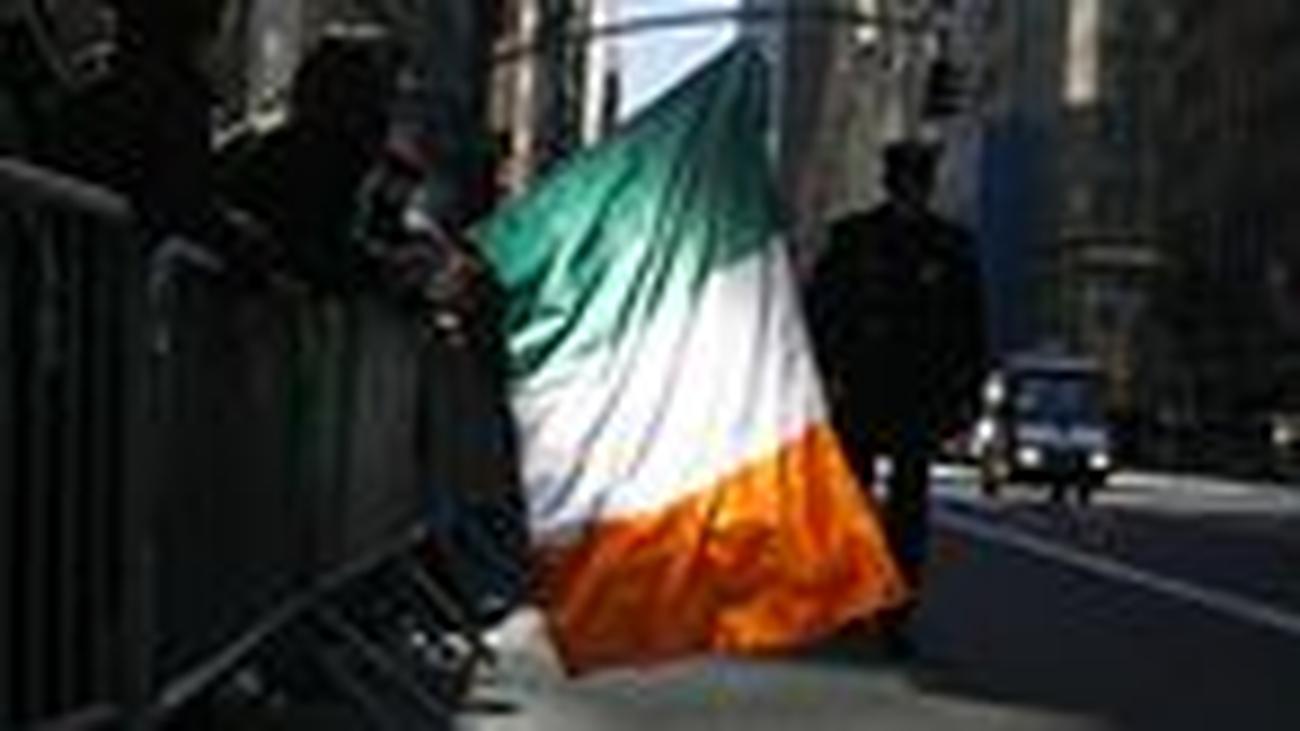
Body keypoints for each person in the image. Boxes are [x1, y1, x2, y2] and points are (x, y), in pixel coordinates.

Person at [806, 141, 987, 656]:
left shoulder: (950, 247)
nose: (911, 194)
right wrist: (824, 375)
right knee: (851, 503)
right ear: (890, 185)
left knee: (909, 511)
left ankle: (896, 611)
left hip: (917, 396)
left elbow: (969, 328)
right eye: (904, 184)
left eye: (918, 184)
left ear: (927, 188)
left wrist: (966, 397)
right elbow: (822, 311)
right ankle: (848, 598)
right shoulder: (853, 239)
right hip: (860, 389)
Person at [217, 29, 403, 294]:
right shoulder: (316, 157)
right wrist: (380, 267)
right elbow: (311, 249)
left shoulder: (297, 145)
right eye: (384, 93)